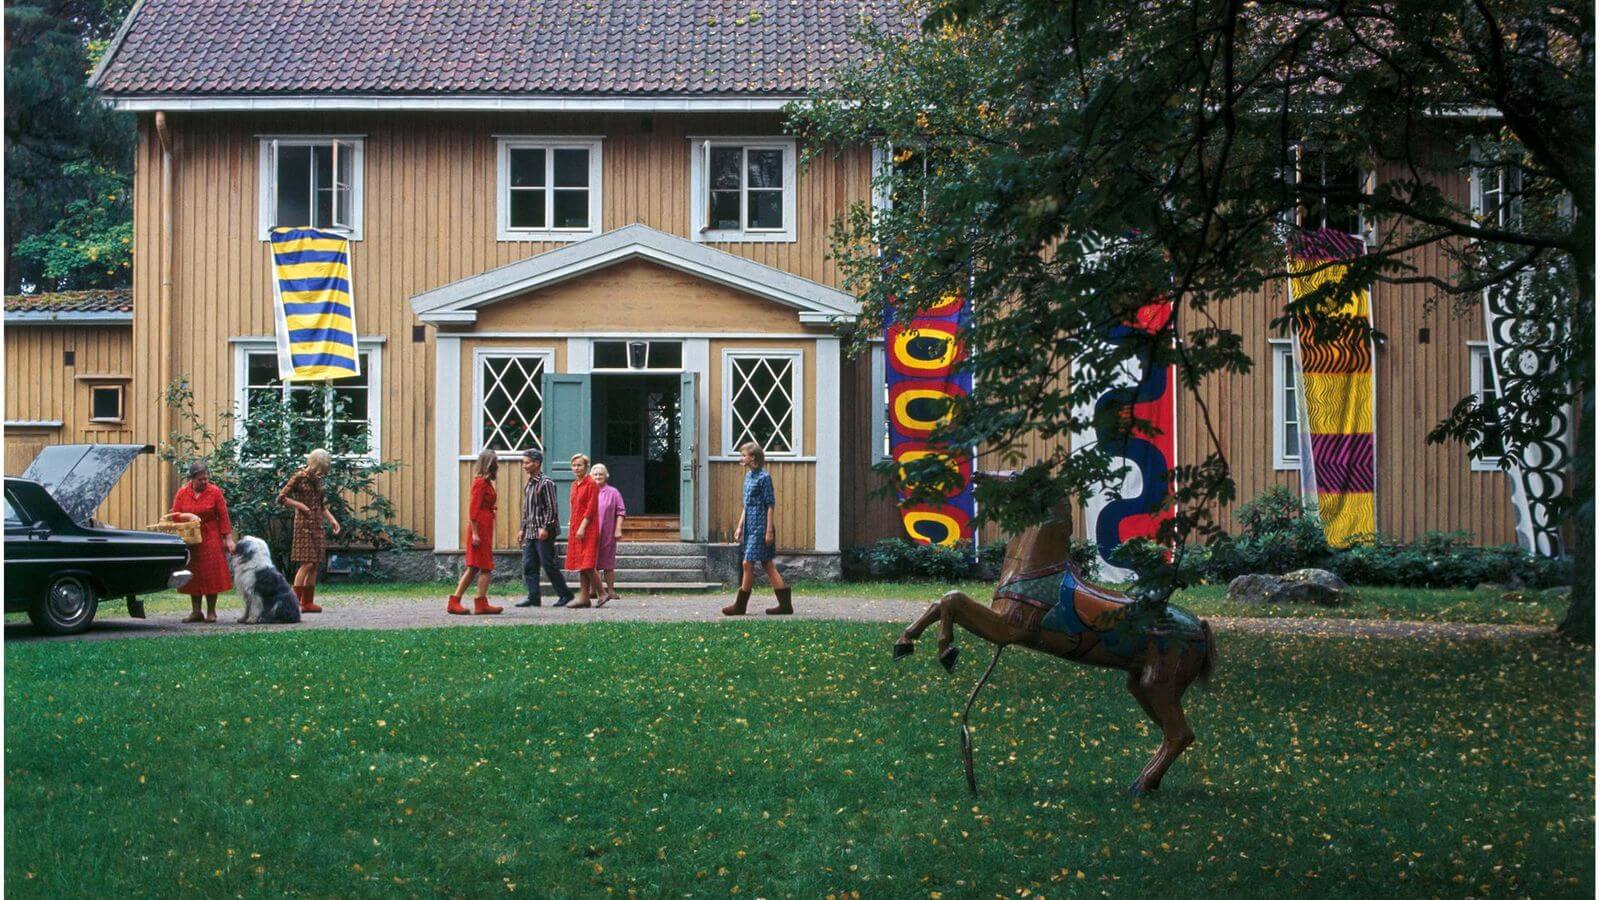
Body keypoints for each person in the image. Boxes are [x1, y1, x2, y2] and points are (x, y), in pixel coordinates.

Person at [722, 441, 792, 616]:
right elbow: (746, 505)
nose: (741, 458)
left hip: (761, 526)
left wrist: (769, 531)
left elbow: (770, 505)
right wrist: (740, 526)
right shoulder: (748, 476)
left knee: (747, 563)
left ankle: (740, 606)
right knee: (767, 564)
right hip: (749, 525)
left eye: (743, 455)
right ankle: (785, 605)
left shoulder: (764, 478)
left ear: (753, 457)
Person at [169, 460, 235, 623]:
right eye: (200, 479)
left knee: (211, 573)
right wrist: (188, 516)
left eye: (206, 478)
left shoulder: (215, 492)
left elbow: (223, 516)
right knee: (194, 574)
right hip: (191, 539)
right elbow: (175, 515)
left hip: (211, 536)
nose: (204, 482)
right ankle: (196, 612)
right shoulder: (182, 493)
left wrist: (228, 539)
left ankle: (211, 611)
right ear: (192, 479)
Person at [277, 448, 340, 613]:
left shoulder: (317, 480)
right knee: (307, 563)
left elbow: (321, 505)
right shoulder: (299, 477)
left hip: (317, 524)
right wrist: (299, 505)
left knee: (315, 563)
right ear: (313, 464)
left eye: (323, 471)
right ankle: (293, 603)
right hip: (303, 525)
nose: (321, 474)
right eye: (320, 470)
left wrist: (332, 520)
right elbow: (281, 498)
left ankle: (308, 602)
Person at [516, 449, 573, 608]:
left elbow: (552, 507)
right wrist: (522, 529)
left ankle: (565, 594)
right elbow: (527, 510)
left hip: (544, 532)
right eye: (523, 463)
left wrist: (546, 527)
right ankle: (533, 597)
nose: (524, 466)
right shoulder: (529, 484)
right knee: (529, 565)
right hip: (531, 531)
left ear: (537, 463)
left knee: (548, 564)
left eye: (527, 463)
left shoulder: (546, 483)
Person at [449, 448, 503, 615]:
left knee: (480, 567)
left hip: (485, 526)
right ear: (489, 465)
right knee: (479, 566)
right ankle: (462, 602)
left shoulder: (486, 483)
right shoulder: (480, 483)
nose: (497, 467)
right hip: (479, 527)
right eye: (495, 464)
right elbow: (473, 509)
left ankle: (477, 602)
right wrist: (475, 533)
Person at [564, 453, 600, 609]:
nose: (576, 468)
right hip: (576, 526)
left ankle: (602, 593)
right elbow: (574, 506)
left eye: (579, 465)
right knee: (581, 562)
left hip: (588, 527)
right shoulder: (574, 484)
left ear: (586, 467)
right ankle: (584, 598)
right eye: (574, 465)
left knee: (587, 563)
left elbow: (591, 509)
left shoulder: (591, 484)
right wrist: (571, 521)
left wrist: (582, 527)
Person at [591, 463, 627, 607]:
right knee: (591, 563)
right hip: (590, 533)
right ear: (591, 476)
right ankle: (592, 590)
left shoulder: (613, 492)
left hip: (607, 532)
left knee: (608, 563)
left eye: (601, 474)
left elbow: (621, 512)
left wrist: (618, 529)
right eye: (595, 474)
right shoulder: (588, 491)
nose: (598, 476)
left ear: (606, 476)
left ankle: (611, 590)